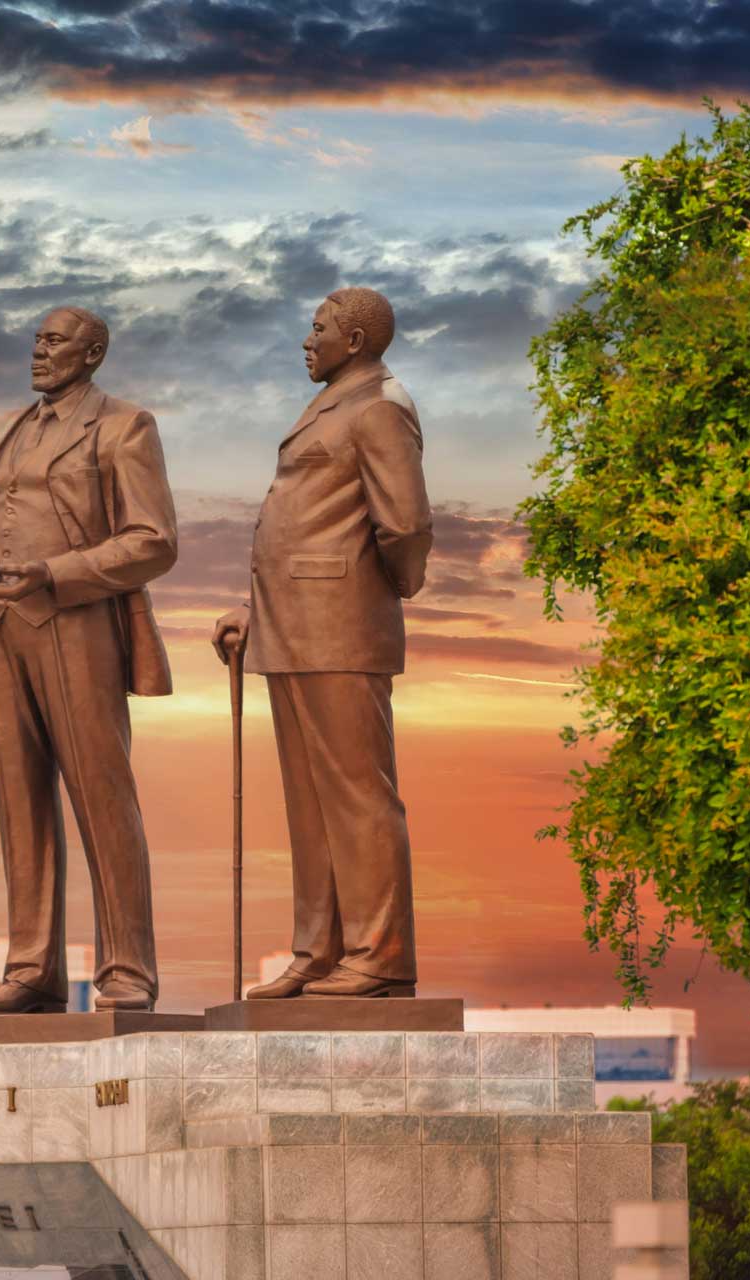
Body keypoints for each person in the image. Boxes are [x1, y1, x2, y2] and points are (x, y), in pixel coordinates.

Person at [213, 287, 433, 999]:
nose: (307, 341)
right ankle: (318, 951)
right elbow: (306, 522)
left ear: (357, 341)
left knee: (357, 794)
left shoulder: (379, 408)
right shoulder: (332, 403)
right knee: (309, 799)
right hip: (292, 626)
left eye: (319, 330)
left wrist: (367, 596)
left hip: (341, 626)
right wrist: (258, 609)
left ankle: (378, 954)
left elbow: (404, 526)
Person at [0, 306, 177, 1014]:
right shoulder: (6, 429)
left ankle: (127, 968)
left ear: (93, 354)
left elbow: (153, 541)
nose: (39, 350)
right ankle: (32, 968)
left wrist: (56, 572)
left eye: (55, 341)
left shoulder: (123, 426)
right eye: (36, 339)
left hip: (77, 625)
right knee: (18, 805)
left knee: (103, 796)